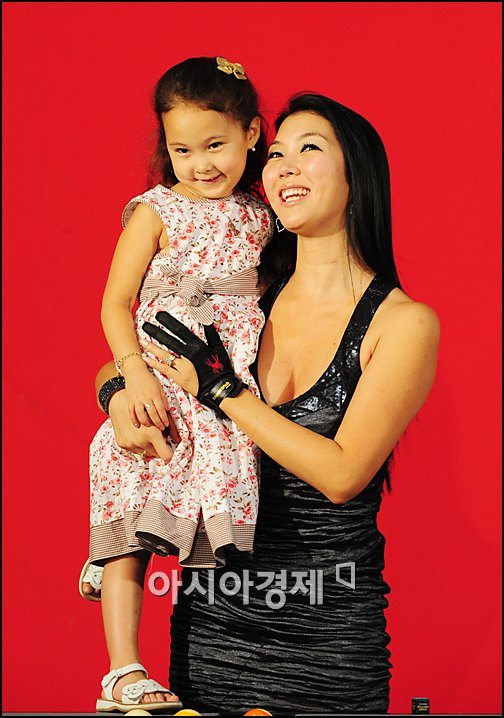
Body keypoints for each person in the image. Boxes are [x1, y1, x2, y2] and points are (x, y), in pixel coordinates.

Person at [93, 93, 440, 712]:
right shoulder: (247, 295)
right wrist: (120, 392)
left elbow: (342, 473)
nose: (284, 167)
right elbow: (150, 356)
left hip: (326, 650)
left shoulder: (403, 323)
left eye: (309, 149)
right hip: (208, 640)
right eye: (276, 153)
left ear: (357, 174)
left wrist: (223, 391)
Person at [80, 56, 273, 713]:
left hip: (224, 386)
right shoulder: (156, 210)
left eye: (215, 145)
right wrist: (133, 375)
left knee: (201, 514)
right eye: (182, 149)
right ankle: (122, 671)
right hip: (159, 382)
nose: (200, 164)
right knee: (132, 516)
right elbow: (115, 302)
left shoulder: (261, 215)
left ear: (251, 133)